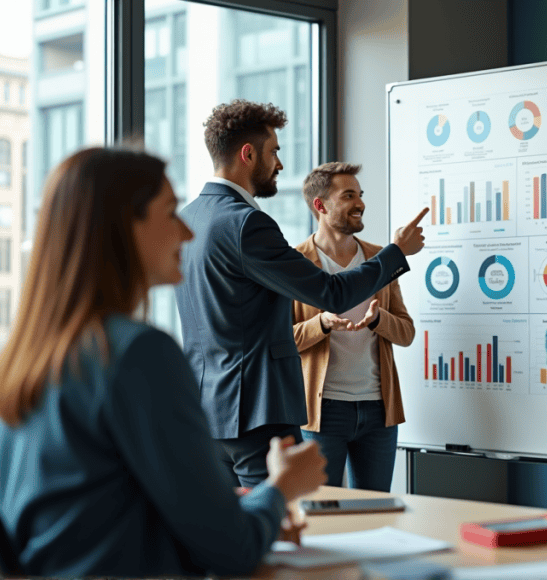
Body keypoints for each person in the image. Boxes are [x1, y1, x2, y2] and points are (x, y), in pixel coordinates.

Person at [0, 148, 328, 576]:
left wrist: (248, 516)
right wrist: (281, 488)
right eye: (171, 212)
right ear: (124, 227)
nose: (187, 235)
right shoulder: (138, 354)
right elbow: (232, 550)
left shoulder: (21, 361)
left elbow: (92, 517)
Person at [175, 100, 428, 487]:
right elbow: (331, 291)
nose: (279, 163)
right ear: (247, 154)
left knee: (233, 534)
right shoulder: (248, 224)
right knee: (279, 527)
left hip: (207, 415)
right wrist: (396, 254)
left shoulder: (189, 218)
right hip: (258, 415)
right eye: (274, 151)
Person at [292, 162, 414, 490]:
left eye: (360, 195)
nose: (360, 203)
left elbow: (407, 332)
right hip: (322, 413)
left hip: (379, 411)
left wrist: (379, 319)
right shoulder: (295, 262)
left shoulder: (380, 259)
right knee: (320, 509)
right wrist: (321, 324)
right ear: (320, 205)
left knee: (375, 512)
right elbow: (280, 340)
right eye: (348, 195)